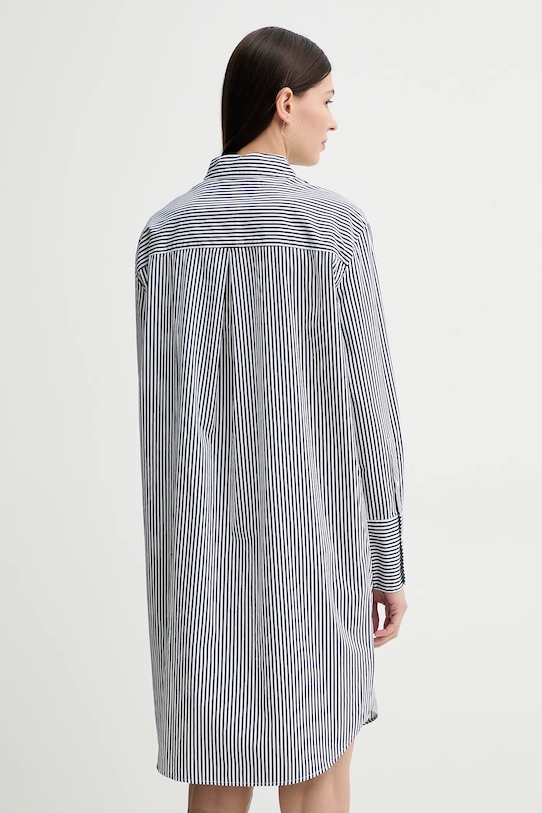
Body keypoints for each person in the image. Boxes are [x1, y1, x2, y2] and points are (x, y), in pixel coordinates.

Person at [135, 25, 407, 813]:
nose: (334, 120)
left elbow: (159, 425)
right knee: (318, 767)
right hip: (314, 552)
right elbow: (373, 412)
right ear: (285, 103)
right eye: (327, 100)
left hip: (197, 563)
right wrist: (387, 558)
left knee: (216, 771)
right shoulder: (334, 230)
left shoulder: (164, 236)